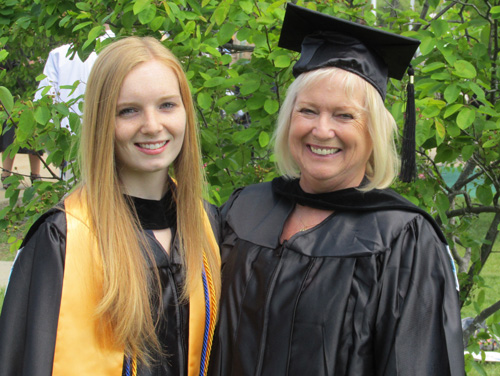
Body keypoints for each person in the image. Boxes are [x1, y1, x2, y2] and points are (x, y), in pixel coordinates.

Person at [209, 4, 464, 376]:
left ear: (372, 131)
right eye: (308, 111)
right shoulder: (244, 210)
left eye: (344, 115)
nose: (322, 130)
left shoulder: (401, 240)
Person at [0, 36, 221, 376]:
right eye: (128, 110)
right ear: (103, 121)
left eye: (167, 105)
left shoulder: (206, 224)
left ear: (186, 113)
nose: (152, 125)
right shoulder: (63, 239)